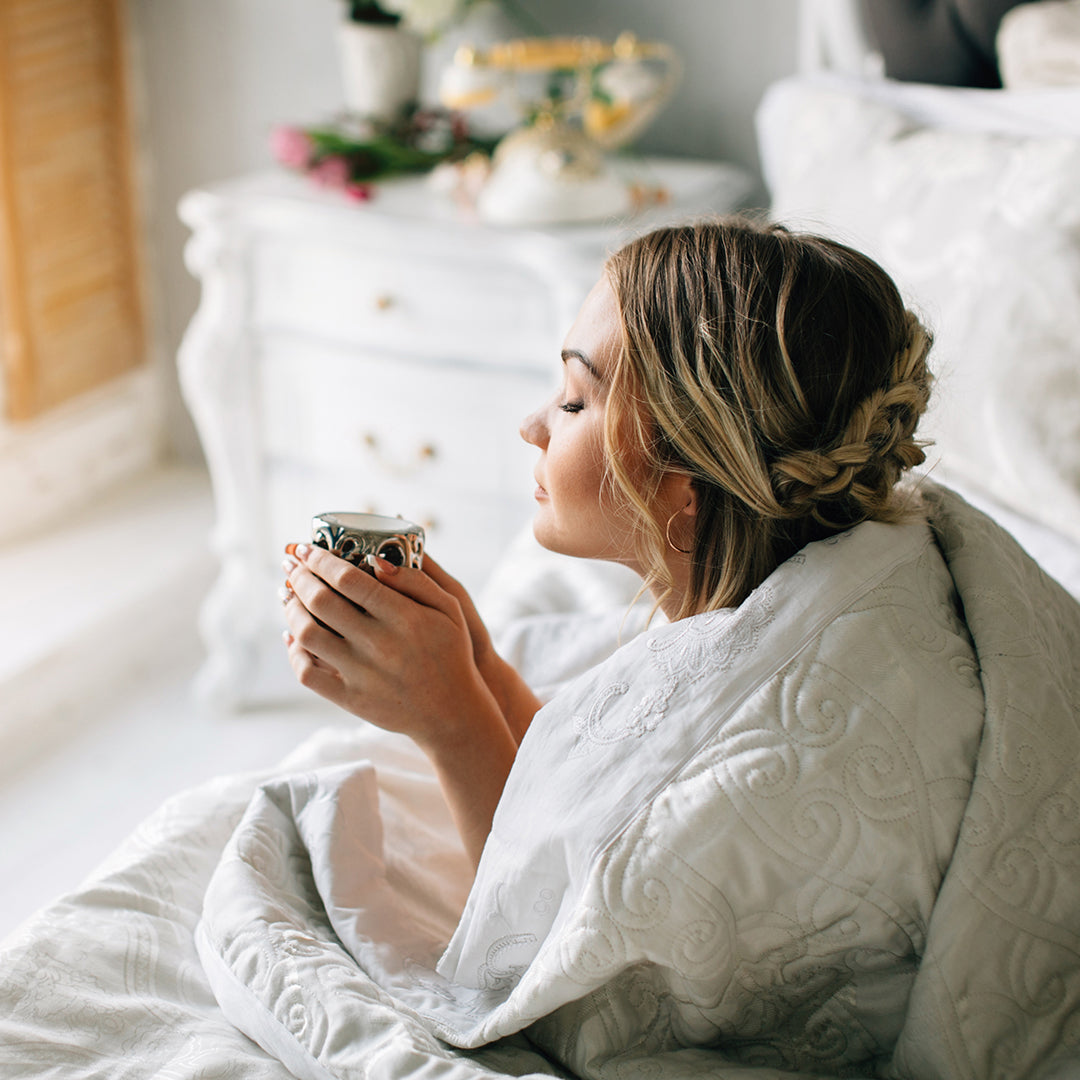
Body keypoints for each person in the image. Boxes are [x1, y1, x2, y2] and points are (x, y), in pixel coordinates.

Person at [278, 217, 933, 868]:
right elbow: (579, 811)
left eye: (573, 402)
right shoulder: (751, 613)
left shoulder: (763, 741)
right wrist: (477, 665)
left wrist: (451, 726)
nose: (531, 425)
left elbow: (546, 942)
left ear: (689, 481)